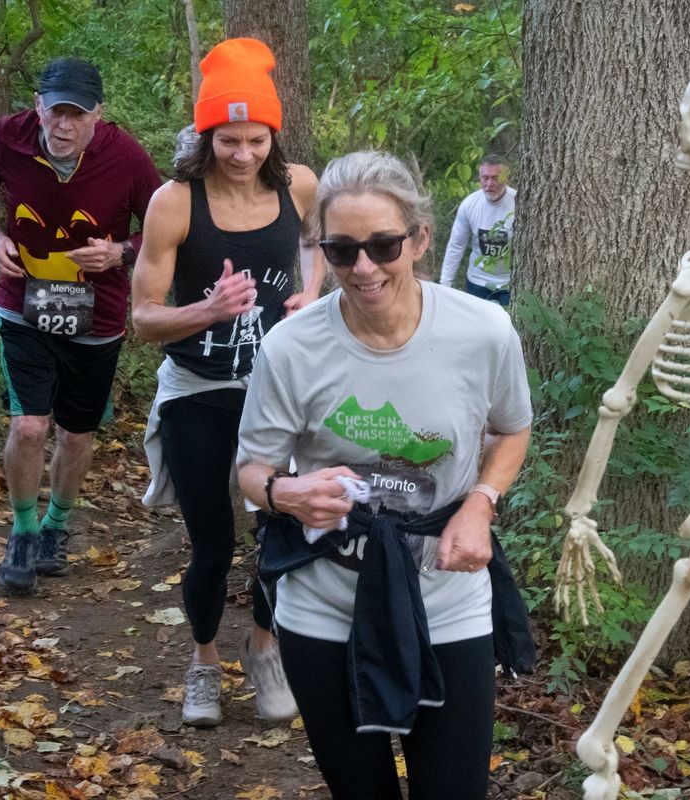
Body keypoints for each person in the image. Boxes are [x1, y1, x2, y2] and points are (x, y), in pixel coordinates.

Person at [237, 150, 535, 800]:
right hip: (324, 602)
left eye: (383, 245)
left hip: (447, 596)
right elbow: (252, 470)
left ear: (421, 239)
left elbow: (513, 428)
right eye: (341, 252)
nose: (364, 268)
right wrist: (285, 494)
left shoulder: (483, 331)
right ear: (322, 249)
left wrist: (480, 503)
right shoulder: (291, 348)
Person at [133, 38, 324, 728]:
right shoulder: (174, 202)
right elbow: (143, 317)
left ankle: (265, 646)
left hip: (279, 389)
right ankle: (204, 662)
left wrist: (309, 292)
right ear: (205, 134)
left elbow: (315, 244)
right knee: (213, 541)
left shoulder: (298, 185)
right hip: (197, 387)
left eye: (254, 139)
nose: (241, 154)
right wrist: (207, 310)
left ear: (272, 135)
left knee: (285, 530)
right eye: (227, 139)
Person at [0, 58, 161, 597]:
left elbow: (166, 226)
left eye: (77, 114)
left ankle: (56, 525)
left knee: (77, 435)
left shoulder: (126, 157)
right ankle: (24, 532)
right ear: (38, 107)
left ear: (98, 115)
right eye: (56, 112)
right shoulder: (6, 137)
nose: (64, 125)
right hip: (22, 303)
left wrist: (121, 252)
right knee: (29, 426)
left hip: (96, 316)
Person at [438, 153, 516, 306]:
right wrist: (444, 285)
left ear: (507, 178)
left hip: (509, 283)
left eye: (495, 177)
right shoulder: (470, 204)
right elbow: (456, 245)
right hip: (477, 282)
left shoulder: (519, 202)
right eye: (485, 178)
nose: (489, 184)